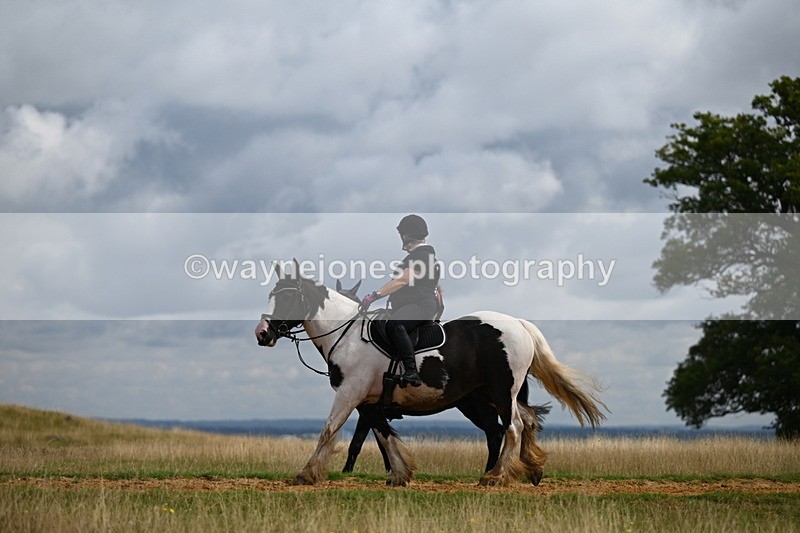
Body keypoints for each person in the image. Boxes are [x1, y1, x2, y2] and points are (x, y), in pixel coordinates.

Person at [359, 214, 439, 387]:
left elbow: (402, 281)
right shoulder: (419, 256)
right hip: (414, 304)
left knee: (396, 325)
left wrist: (375, 295)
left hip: (420, 305)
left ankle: (412, 372)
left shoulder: (423, 255)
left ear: (407, 235)